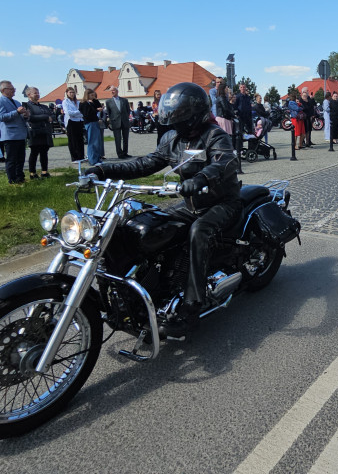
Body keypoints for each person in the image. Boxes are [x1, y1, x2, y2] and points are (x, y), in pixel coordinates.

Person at [85, 82, 241, 339]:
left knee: (198, 231)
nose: (175, 118)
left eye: (180, 112)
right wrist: (104, 169)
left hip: (222, 203)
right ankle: (150, 288)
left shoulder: (214, 135)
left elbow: (225, 161)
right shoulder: (171, 139)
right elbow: (146, 163)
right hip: (191, 204)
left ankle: (191, 308)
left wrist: (202, 178)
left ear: (193, 111)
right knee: (148, 227)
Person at [0, 80, 29, 185]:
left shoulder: (17, 102)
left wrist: (25, 115)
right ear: (4, 90)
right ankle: (12, 179)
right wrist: (17, 112)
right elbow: (1, 117)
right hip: (10, 135)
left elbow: (20, 117)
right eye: (12, 89)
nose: (14, 91)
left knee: (21, 158)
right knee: (12, 159)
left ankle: (20, 177)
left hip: (21, 134)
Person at [24, 87, 53, 179]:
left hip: (45, 131)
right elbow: (31, 117)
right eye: (35, 93)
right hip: (35, 132)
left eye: (38, 93)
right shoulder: (27, 106)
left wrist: (48, 117)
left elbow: (51, 115)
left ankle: (44, 171)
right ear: (29, 95)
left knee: (44, 152)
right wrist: (45, 117)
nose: (37, 94)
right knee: (34, 153)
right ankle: (32, 173)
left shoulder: (43, 106)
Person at [79, 88, 105, 165]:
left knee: (97, 141)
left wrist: (95, 101)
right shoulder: (83, 103)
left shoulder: (93, 102)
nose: (93, 96)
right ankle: (92, 160)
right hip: (90, 122)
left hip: (95, 122)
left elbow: (99, 106)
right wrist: (95, 109)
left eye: (94, 95)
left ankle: (97, 158)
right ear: (87, 95)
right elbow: (87, 113)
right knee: (92, 141)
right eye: (92, 95)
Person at [105, 86, 131, 158]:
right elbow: (109, 113)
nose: (112, 92)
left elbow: (128, 110)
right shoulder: (108, 102)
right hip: (115, 122)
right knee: (118, 139)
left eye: (113, 90)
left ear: (117, 91)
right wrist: (111, 120)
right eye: (111, 91)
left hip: (125, 121)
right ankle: (120, 154)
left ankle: (125, 153)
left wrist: (125, 117)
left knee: (126, 138)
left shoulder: (124, 100)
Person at [62, 88, 85, 161]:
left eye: (73, 92)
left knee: (80, 140)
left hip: (79, 121)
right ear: (67, 93)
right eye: (70, 92)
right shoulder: (65, 102)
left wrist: (77, 113)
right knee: (72, 140)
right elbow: (69, 113)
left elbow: (83, 112)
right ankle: (74, 157)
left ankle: (81, 156)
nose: (72, 94)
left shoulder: (78, 102)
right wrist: (78, 113)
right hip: (71, 122)